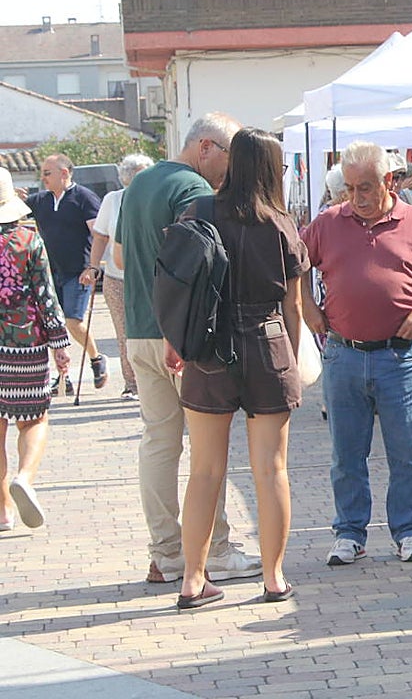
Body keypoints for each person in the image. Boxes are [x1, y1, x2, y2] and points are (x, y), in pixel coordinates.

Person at [114, 112, 262, 584]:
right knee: (206, 449)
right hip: (184, 336)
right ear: (206, 147)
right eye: (229, 156)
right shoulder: (194, 190)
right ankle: (213, 550)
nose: (230, 170)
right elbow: (203, 265)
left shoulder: (139, 184)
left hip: (141, 331)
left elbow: (120, 257)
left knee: (159, 443)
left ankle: (167, 553)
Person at [301, 141, 412, 566]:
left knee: (405, 451)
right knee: (346, 454)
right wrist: (307, 307)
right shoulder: (328, 223)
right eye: (349, 188)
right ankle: (349, 532)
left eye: (365, 187)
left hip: (398, 356)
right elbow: (294, 265)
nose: (356, 197)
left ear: (389, 181)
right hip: (344, 354)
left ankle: (409, 531)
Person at [174, 128, 308, 609]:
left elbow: (180, 283)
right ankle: (273, 578)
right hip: (267, 341)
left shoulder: (199, 211)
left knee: (205, 469)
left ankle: (193, 580)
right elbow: (293, 306)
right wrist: (291, 360)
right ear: (271, 168)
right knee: (271, 468)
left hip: (209, 346)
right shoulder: (280, 223)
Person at [0, 168, 70, 532]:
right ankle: (25, 478)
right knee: (34, 419)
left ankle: (3, 511)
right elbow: (46, 294)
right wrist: (60, 343)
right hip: (25, 344)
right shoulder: (28, 239)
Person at [25, 154, 105, 393]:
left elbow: (99, 234)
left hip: (78, 271)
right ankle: (63, 377)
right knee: (53, 324)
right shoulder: (40, 200)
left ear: (64, 173)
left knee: (72, 321)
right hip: (49, 273)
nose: (43, 178)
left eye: (47, 173)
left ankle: (96, 358)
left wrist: (93, 267)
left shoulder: (84, 198)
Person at [81, 153, 153, 400]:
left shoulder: (156, 197)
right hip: (117, 277)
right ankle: (132, 384)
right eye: (141, 175)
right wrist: (93, 267)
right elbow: (100, 236)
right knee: (125, 333)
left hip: (152, 277)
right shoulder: (112, 200)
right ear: (127, 178)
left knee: (153, 331)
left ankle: (155, 381)